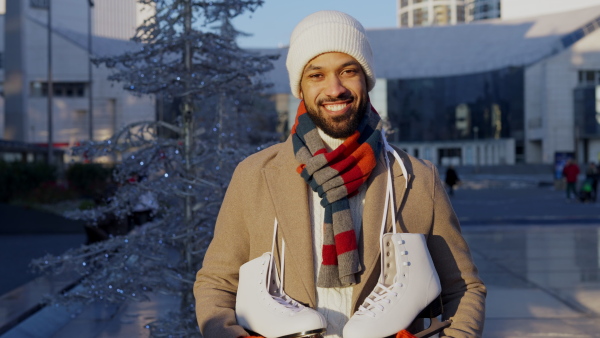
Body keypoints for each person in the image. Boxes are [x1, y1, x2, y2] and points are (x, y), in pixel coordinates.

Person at [194, 11, 486, 338]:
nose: (335, 89)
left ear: (367, 79)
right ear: (300, 88)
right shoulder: (255, 175)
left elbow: (463, 287)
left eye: (348, 71)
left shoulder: (416, 178)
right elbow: (216, 283)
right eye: (317, 75)